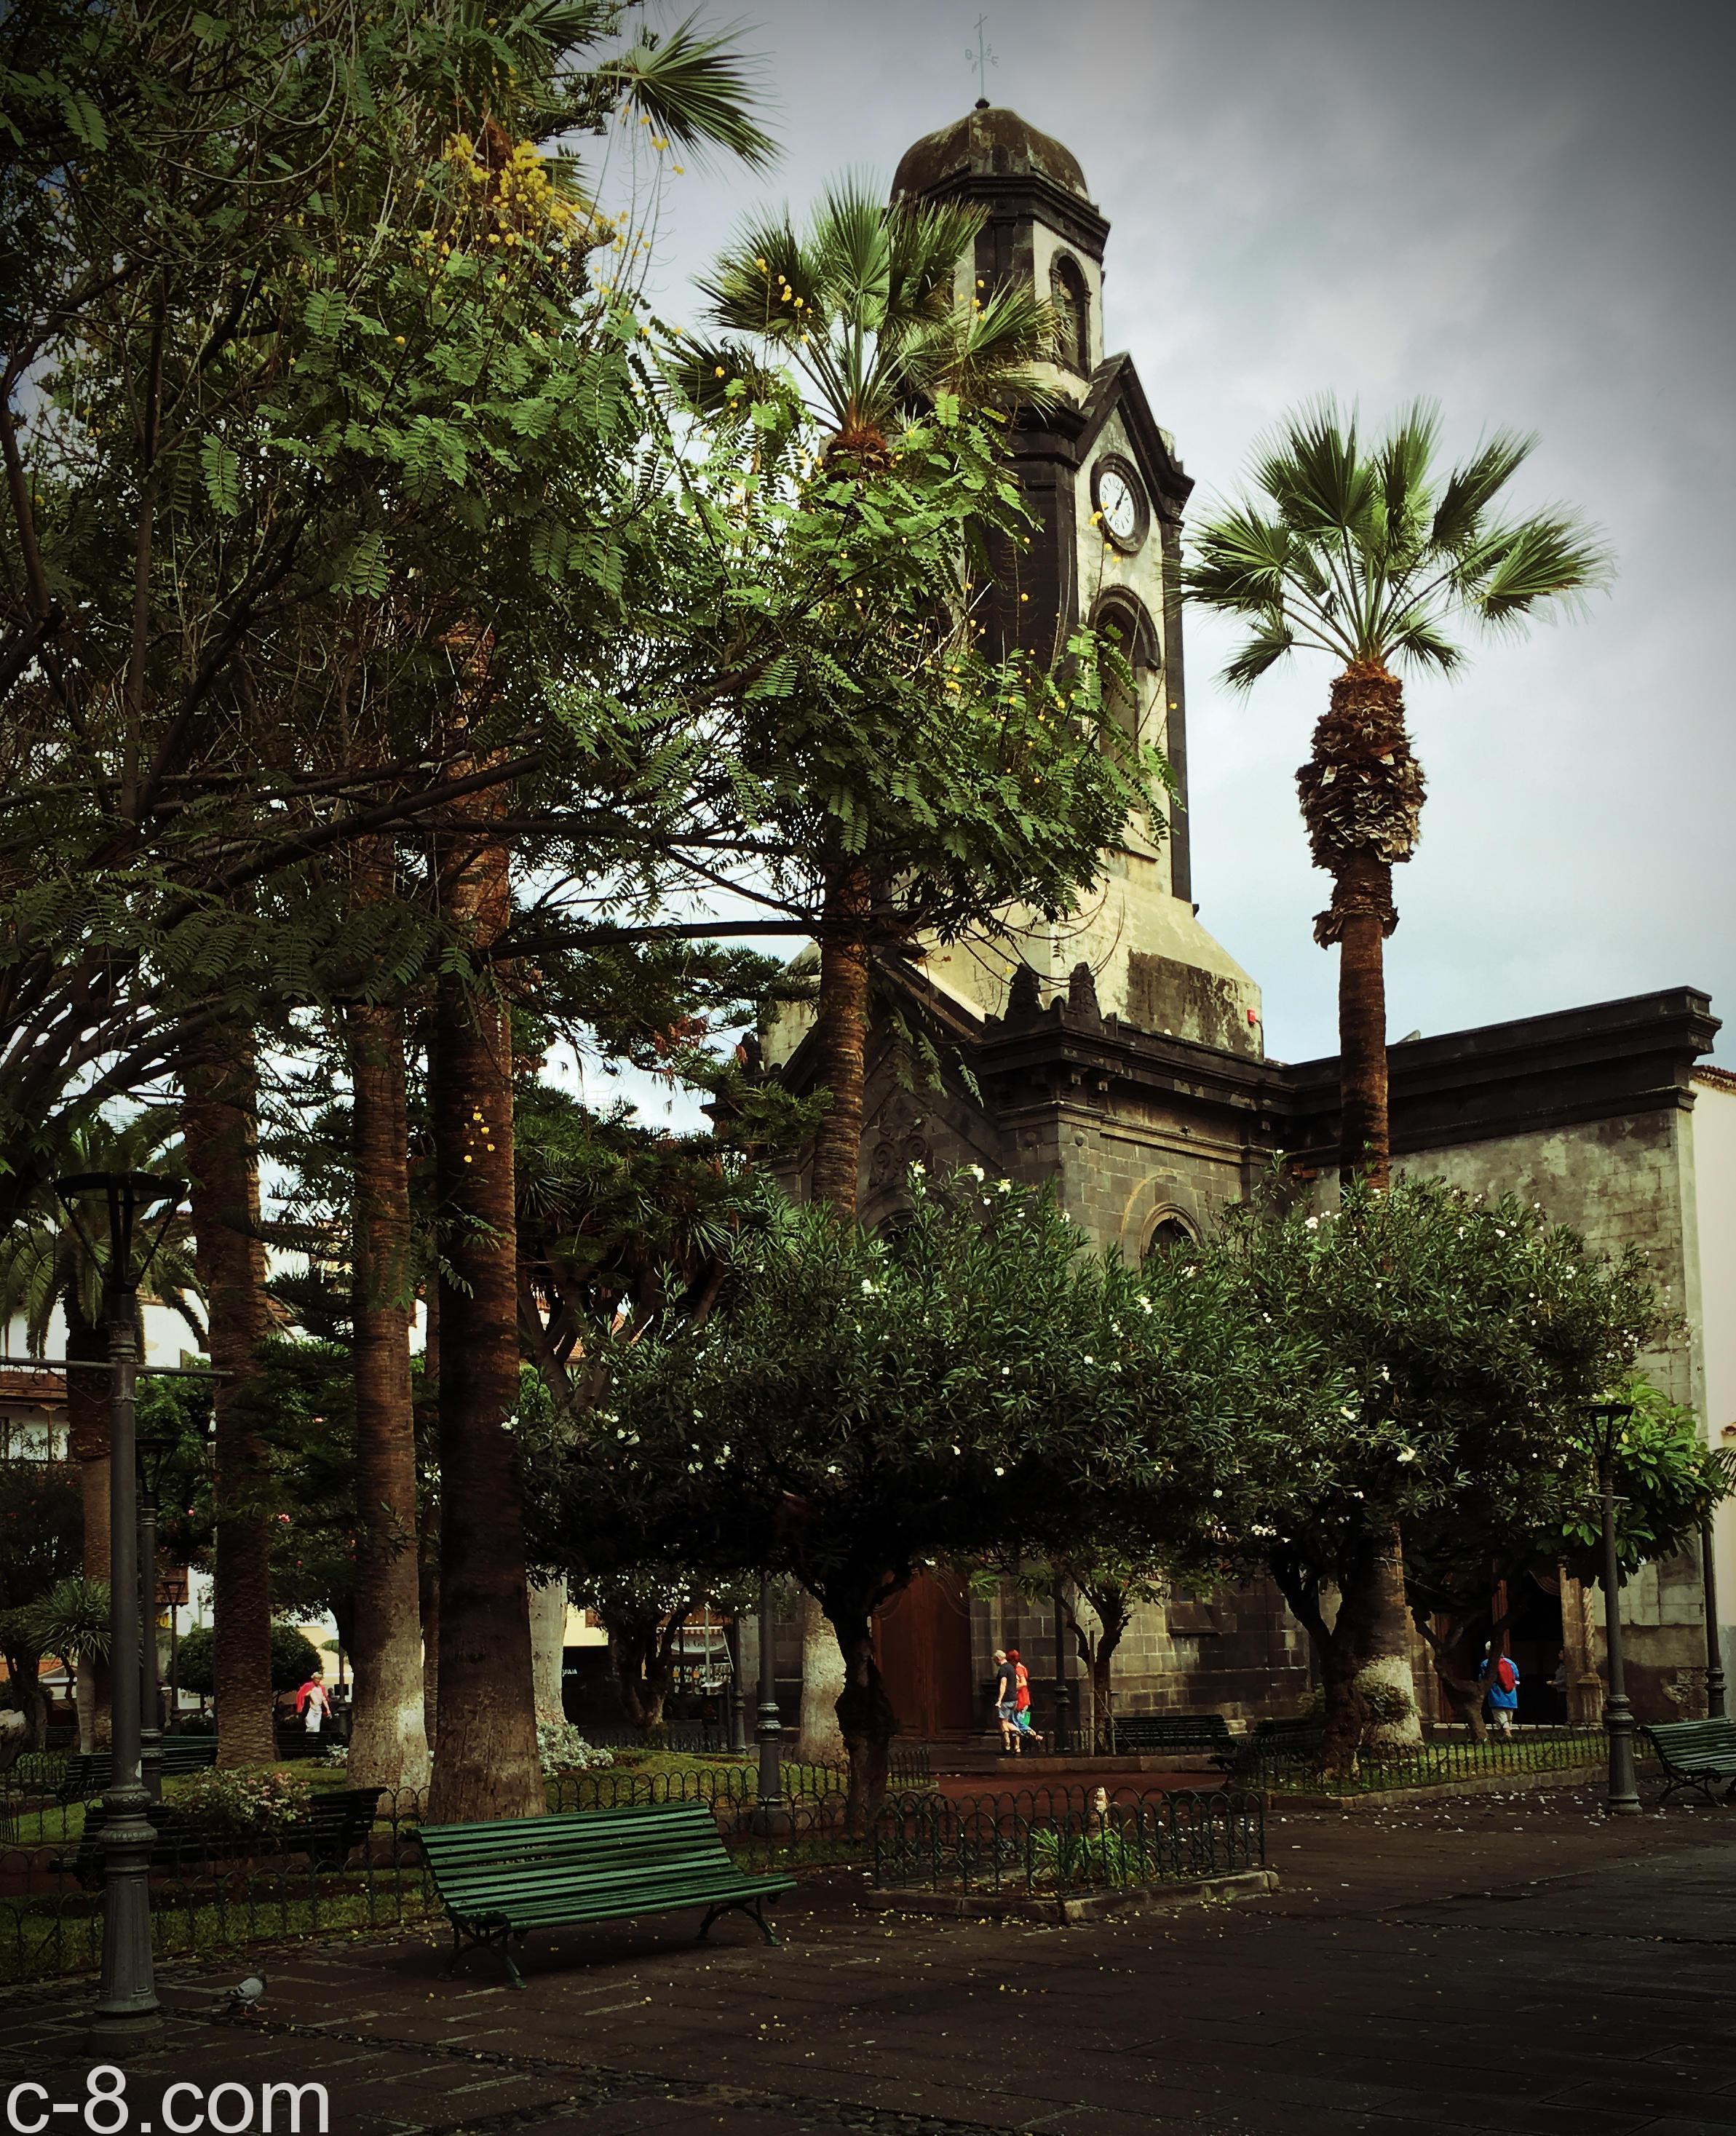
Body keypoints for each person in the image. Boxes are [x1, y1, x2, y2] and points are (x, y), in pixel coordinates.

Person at [1481, 1643, 1520, 1737]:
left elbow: (1483, 1679)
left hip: (1496, 1694)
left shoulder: (1486, 1663)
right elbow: (1517, 1677)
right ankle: (1506, 1737)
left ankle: (1507, 1735)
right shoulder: (1511, 1663)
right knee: (1508, 1719)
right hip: (1511, 1695)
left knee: (1500, 1717)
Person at [1011, 1650, 1046, 1750]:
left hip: (1021, 1699)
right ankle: (1017, 1746)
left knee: (1017, 1723)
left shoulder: (1018, 1669)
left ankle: (1035, 1736)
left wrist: (1010, 1688)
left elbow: (1023, 1683)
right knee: (1017, 1722)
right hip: (1023, 1698)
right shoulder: (1022, 1668)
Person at [991, 1648, 1020, 1753]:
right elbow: (1017, 1680)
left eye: (995, 1660)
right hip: (1013, 1699)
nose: (994, 1662)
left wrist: (999, 1700)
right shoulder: (1011, 1667)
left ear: (998, 1658)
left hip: (1006, 1700)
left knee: (1003, 1722)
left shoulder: (1003, 1669)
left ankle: (1007, 1746)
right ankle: (1017, 1747)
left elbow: (1003, 1683)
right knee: (1009, 1721)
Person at [295, 1673, 330, 1737]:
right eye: (317, 1678)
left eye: (319, 1679)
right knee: (311, 1725)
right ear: (313, 1679)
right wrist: (308, 1694)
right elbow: (301, 1694)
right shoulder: (308, 1686)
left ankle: (314, 1741)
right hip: (310, 1710)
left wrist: (328, 1709)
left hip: (318, 1710)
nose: (318, 1680)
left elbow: (324, 1699)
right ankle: (309, 1739)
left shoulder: (321, 1688)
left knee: (316, 1728)